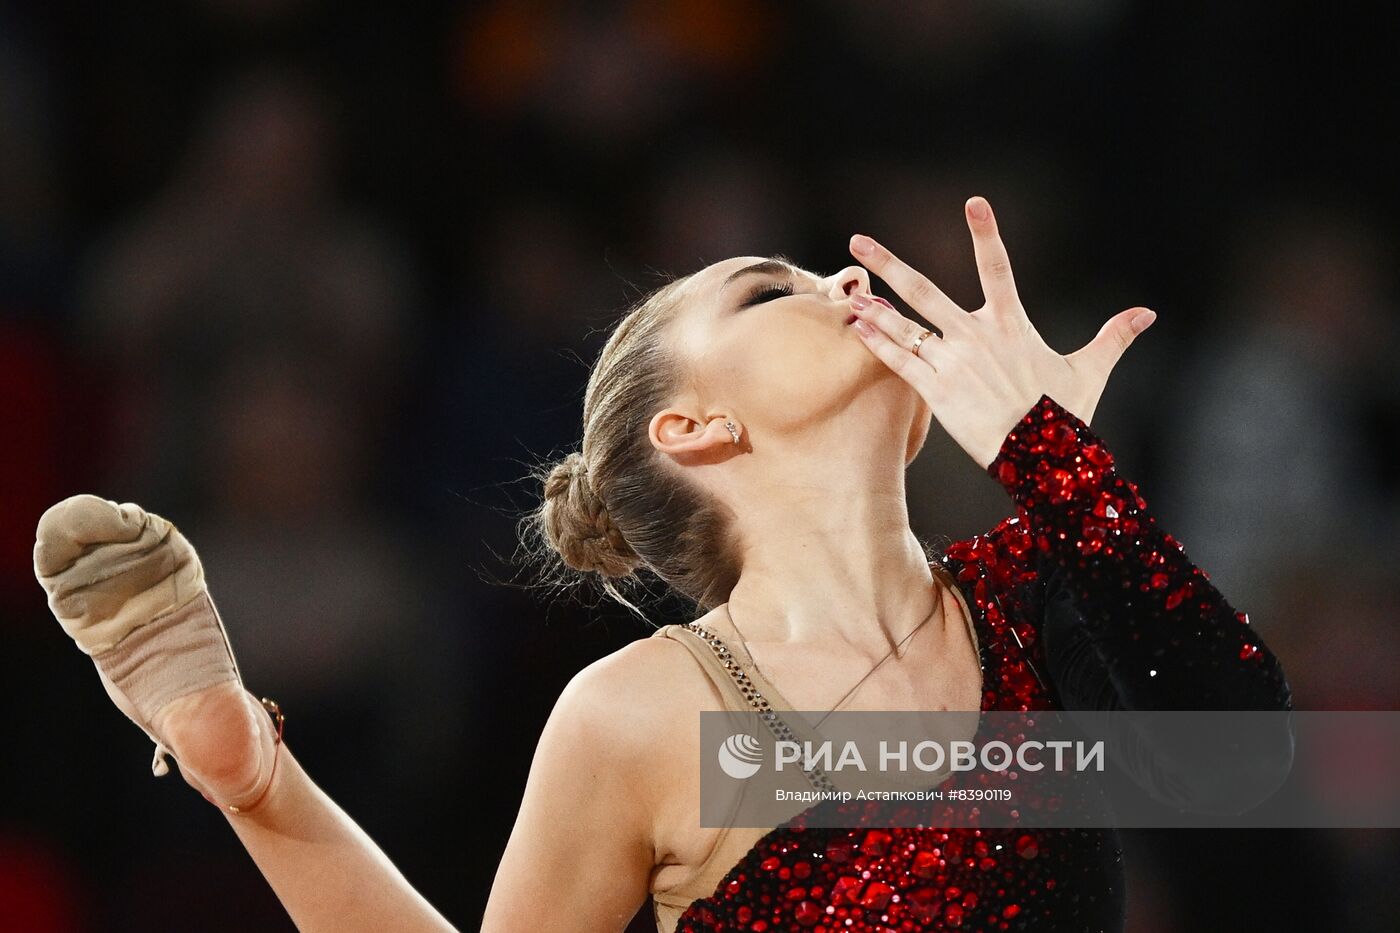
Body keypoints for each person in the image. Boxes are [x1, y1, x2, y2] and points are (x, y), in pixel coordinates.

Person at [34, 197, 1292, 932]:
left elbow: (1244, 771)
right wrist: (264, 795)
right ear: (693, 428)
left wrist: (1059, 466)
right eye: (771, 290)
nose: (844, 278)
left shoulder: (1031, 586)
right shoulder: (648, 714)